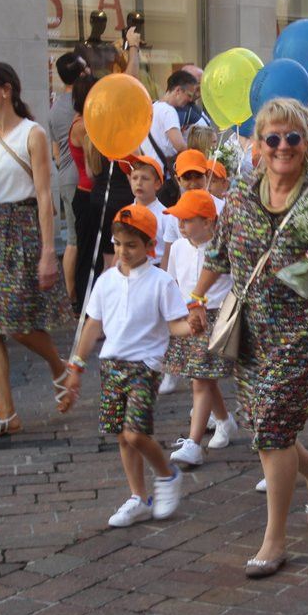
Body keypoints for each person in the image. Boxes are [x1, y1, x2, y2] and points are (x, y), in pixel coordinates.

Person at [187, 98, 308, 577]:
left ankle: (275, 540)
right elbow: (219, 255)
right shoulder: (238, 198)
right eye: (271, 138)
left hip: (303, 331)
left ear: (306, 143)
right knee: (266, 425)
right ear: (257, 146)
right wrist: (196, 298)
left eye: (292, 137)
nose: (282, 147)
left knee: (271, 425)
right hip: (252, 329)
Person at [59, 204, 189, 526]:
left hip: (145, 365)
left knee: (134, 433)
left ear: (149, 246)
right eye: (118, 244)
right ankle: (138, 497)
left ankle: (167, 474)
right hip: (111, 365)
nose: (122, 251)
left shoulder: (161, 281)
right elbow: (93, 325)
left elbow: (176, 325)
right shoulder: (106, 281)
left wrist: (195, 327)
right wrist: (76, 367)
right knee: (121, 435)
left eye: (131, 245)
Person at [0, 61, 71, 442]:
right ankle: (6, 413)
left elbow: (46, 197)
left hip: (23, 228)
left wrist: (48, 252)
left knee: (16, 322)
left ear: (6, 89)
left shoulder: (33, 133)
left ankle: (59, 366)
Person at [162, 191, 238, 465]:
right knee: (201, 378)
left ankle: (194, 442)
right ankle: (224, 420)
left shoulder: (223, 250)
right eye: (179, 219)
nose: (180, 225)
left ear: (208, 223)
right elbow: (172, 281)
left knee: (201, 379)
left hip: (217, 316)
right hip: (189, 318)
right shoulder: (180, 248)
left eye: (187, 219)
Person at [46, 52, 89, 310]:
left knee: (73, 238)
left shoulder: (55, 108)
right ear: (82, 73)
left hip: (65, 176)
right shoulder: (81, 103)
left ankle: (72, 297)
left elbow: (55, 152)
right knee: (75, 240)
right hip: (80, 175)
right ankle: (72, 298)